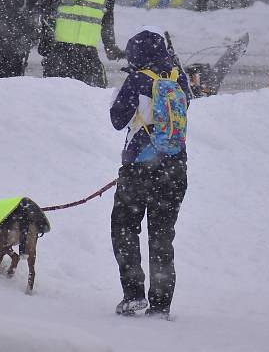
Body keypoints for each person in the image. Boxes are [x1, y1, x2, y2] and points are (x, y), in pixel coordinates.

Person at [109, 27, 191, 319]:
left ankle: (133, 296)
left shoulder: (137, 80)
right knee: (162, 236)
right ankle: (161, 305)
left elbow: (117, 119)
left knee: (125, 228)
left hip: (139, 168)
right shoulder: (178, 78)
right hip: (175, 168)